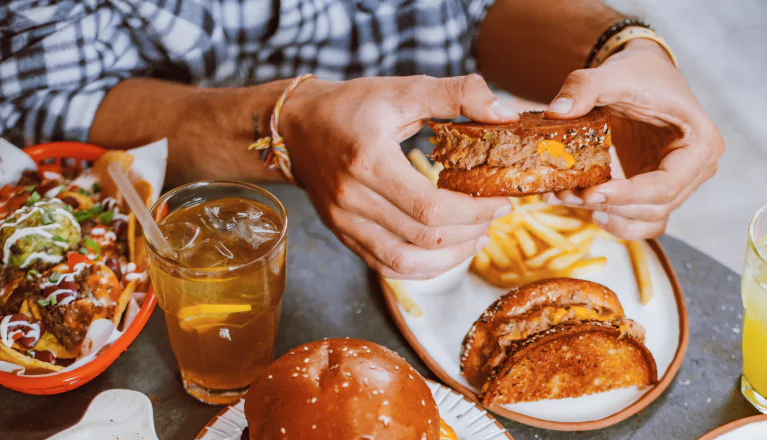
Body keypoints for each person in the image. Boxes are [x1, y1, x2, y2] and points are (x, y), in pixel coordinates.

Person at [0, 0, 723, 279]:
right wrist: (282, 123)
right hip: (175, 234)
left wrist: (621, 47)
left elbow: (473, 10)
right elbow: (35, 95)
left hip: (411, 184)